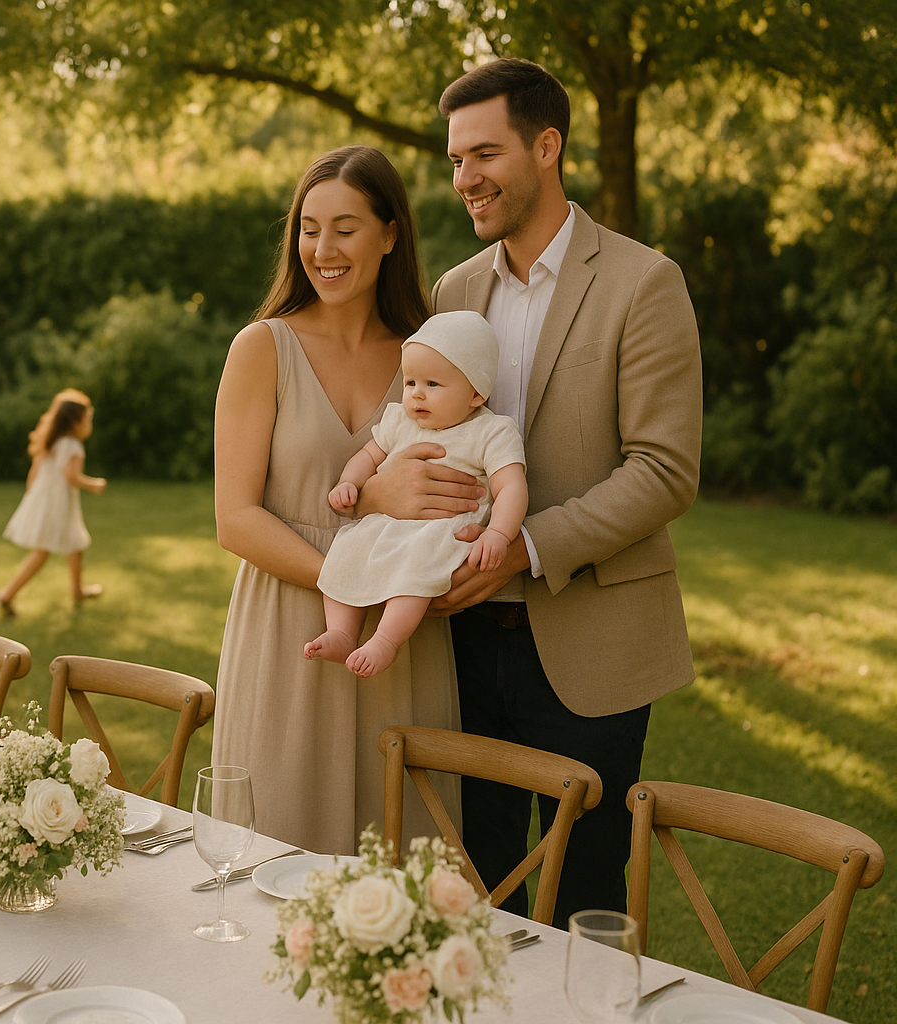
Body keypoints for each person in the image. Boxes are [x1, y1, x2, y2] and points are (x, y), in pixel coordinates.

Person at [357, 58, 702, 922]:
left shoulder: (643, 282)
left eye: (484, 155)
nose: (463, 179)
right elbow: (414, 430)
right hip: (458, 640)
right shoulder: (455, 289)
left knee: (581, 903)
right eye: (455, 159)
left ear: (547, 147)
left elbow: (664, 470)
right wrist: (384, 491)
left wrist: (524, 546)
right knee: (471, 894)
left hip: (593, 644)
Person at [211, 145, 461, 857]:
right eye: (309, 227)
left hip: (400, 641)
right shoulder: (262, 347)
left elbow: (462, 486)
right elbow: (235, 519)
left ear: (389, 235)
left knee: (402, 865)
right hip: (289, 638)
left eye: (346, 229)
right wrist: (352, 565)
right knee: (272, 858)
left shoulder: (430, 356)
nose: (323, 249)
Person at [306, 312, 528, 678]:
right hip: (388, 524)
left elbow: (511, 487)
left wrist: (498, 534)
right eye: (410, 382)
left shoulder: (491, 432)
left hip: (440, 531)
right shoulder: (401, 422)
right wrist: (350, 483)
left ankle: (386, 640)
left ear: (475, 393)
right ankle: (342, 631)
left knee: (416, 570)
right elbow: (368, 456)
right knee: (347, 550)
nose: (416, 393)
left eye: (432, 383)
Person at [0, 388, 108, 614]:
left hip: (43, 499)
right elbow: (71, 475)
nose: (89, 424)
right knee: (42, 552)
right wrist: (93, 484)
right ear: (75, 422)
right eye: (87, 419)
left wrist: (33, 496)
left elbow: (34, 473)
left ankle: (77, 591)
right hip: (58, 504)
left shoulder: (50, 441)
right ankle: (7, 595)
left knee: (75, 544)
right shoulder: (73, 445)